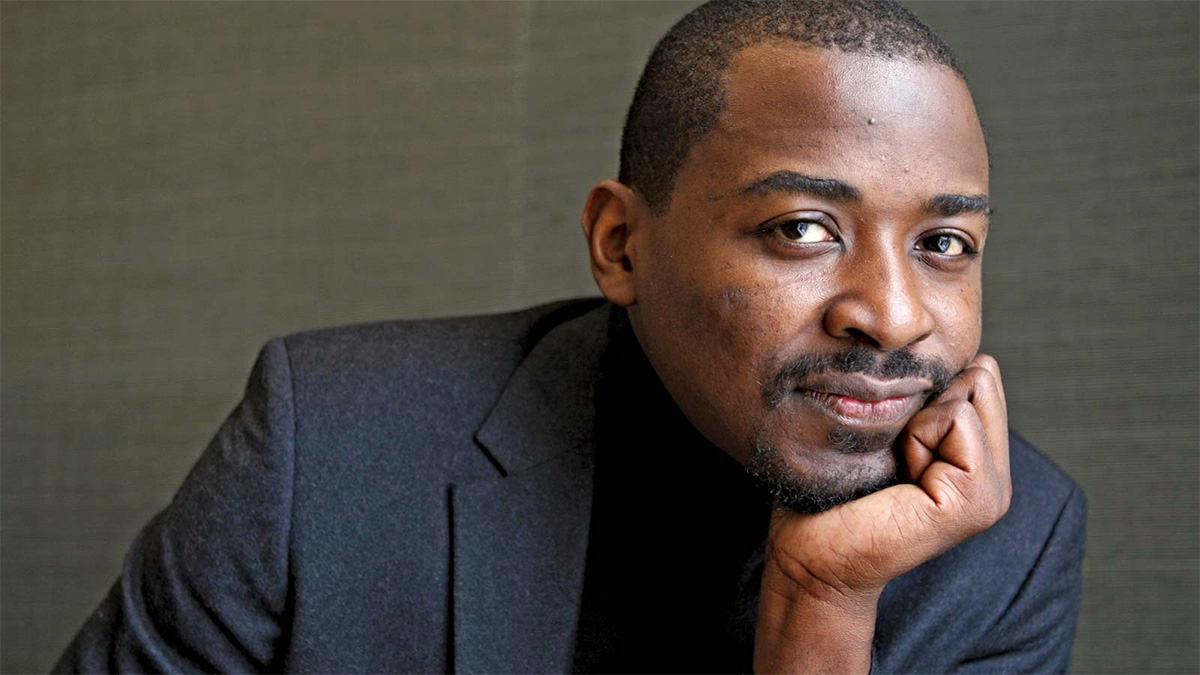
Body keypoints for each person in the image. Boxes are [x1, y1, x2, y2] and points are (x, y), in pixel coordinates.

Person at [54, 0, 1085, 672]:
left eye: (946, 240)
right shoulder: (326, 442)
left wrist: (824, 601)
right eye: (803, 229)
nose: (896, 314)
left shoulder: (1011, 540)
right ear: (621, 244)